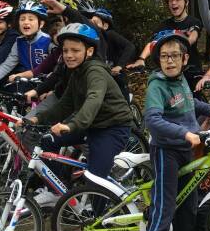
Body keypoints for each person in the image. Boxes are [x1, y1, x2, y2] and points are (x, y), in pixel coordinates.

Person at [135, 30, 210, 231]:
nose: (169, 61)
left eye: (174, 56)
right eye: (164, 56)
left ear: (184, 59)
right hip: (166, 150)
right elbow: (153, 121)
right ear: (158, 60)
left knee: (189, 201)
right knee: (165, 206)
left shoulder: (181, 80)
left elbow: (190, 103)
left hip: (185, 147)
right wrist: (185, 134)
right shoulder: (157, 85)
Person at [26, 23, 133, 207]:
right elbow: (64, 105)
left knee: (95, 179)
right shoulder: (76, 73)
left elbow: (94, 99)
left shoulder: (95, 71)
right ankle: (57, 191)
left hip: (112, 128)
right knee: (47, 141)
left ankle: (103, 230)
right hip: (91, 125)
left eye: (75, 50)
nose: (69, 55)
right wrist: (36, 118)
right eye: (65, 50)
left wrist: (71, 125)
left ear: (89, 51)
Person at [131, 0, 203, 78]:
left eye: (178, 0)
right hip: (170, 70)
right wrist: (141, 59)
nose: (173, 3)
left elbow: (193, 37)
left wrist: (183, 41)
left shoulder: (193, 21)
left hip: (192, 69)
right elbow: (152, 43)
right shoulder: (164, 25)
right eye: (171, 0)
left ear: (186, 2)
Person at [0, 2, 52, 88]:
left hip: (48, 85)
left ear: (41, 24)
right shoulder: (19, 41)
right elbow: (7, 65)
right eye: (22, 19)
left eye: (31, 19)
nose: (25, 22)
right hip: (27, 84)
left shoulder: (49, 41)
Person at [89, 8, 138, 74]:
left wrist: (119, 66)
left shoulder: (109, 34)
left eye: (95, 22)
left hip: (115, 76)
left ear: (105, 26)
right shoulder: (90, 38)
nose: (92, 25)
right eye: (90, 22)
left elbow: (130, 46)